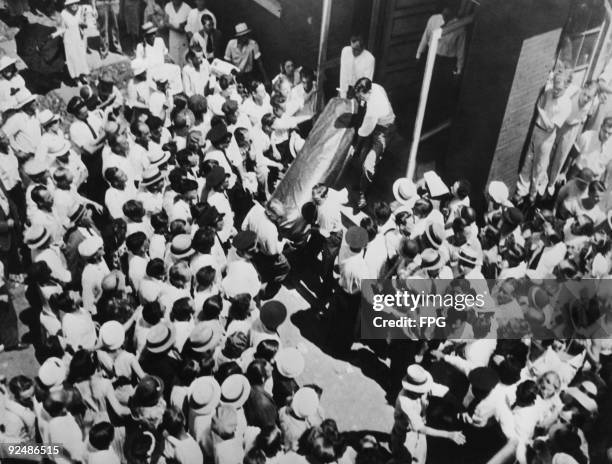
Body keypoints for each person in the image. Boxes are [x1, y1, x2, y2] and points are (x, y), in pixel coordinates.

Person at [516, 71, 572, 202]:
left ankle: (533, 195)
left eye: (558, 89)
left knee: (539, 167)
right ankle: (521, 190)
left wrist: (540, 110)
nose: (555, 91)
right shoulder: (549, 91)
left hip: (547, 136)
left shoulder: (566, 104)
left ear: (566, 87)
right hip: (536, 129)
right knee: (528, 161)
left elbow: (550, 126)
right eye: (554, 87)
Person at [351, 77, 396, 209]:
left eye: (361, 97)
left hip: (383, 131)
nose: (360, 100)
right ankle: (361, 184)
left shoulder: (373, 108)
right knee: (361, 157)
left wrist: (355, 145)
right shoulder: (376, 86)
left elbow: (364, 131)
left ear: (368, 92)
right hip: (375, 124)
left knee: (368, 164)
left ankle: (362, 195)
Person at [60, 0, 89, 84]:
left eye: (75, 3)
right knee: (73, 59)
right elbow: (62, 28)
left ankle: (82, 76)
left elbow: (85, 25)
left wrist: (83, 23)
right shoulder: (63, 14)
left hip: (79, 38)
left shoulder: (80, 11)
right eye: (71, 4)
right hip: (69, 39)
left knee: (81, 58)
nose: (74, 5)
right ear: (67, 5)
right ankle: (76, 78)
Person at [339, 34, 375, 99]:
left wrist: (359, 98)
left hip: (359, 92)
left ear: (363, 48)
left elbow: (366, 82)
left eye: (357, 50)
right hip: (345, 89)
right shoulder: (345, 51)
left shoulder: (369, 59)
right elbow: (343, 74)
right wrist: (343, 95)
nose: (353, 52)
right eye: (352, 48)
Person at [164, 0, 191, 67]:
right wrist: (178, 27)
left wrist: (171, 25)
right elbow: (165, 23)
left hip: (183, 40)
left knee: (184, 62)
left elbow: (185, 28)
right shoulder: (168, 6)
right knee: (173, 63)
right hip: (172, 39)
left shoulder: (187, 8)